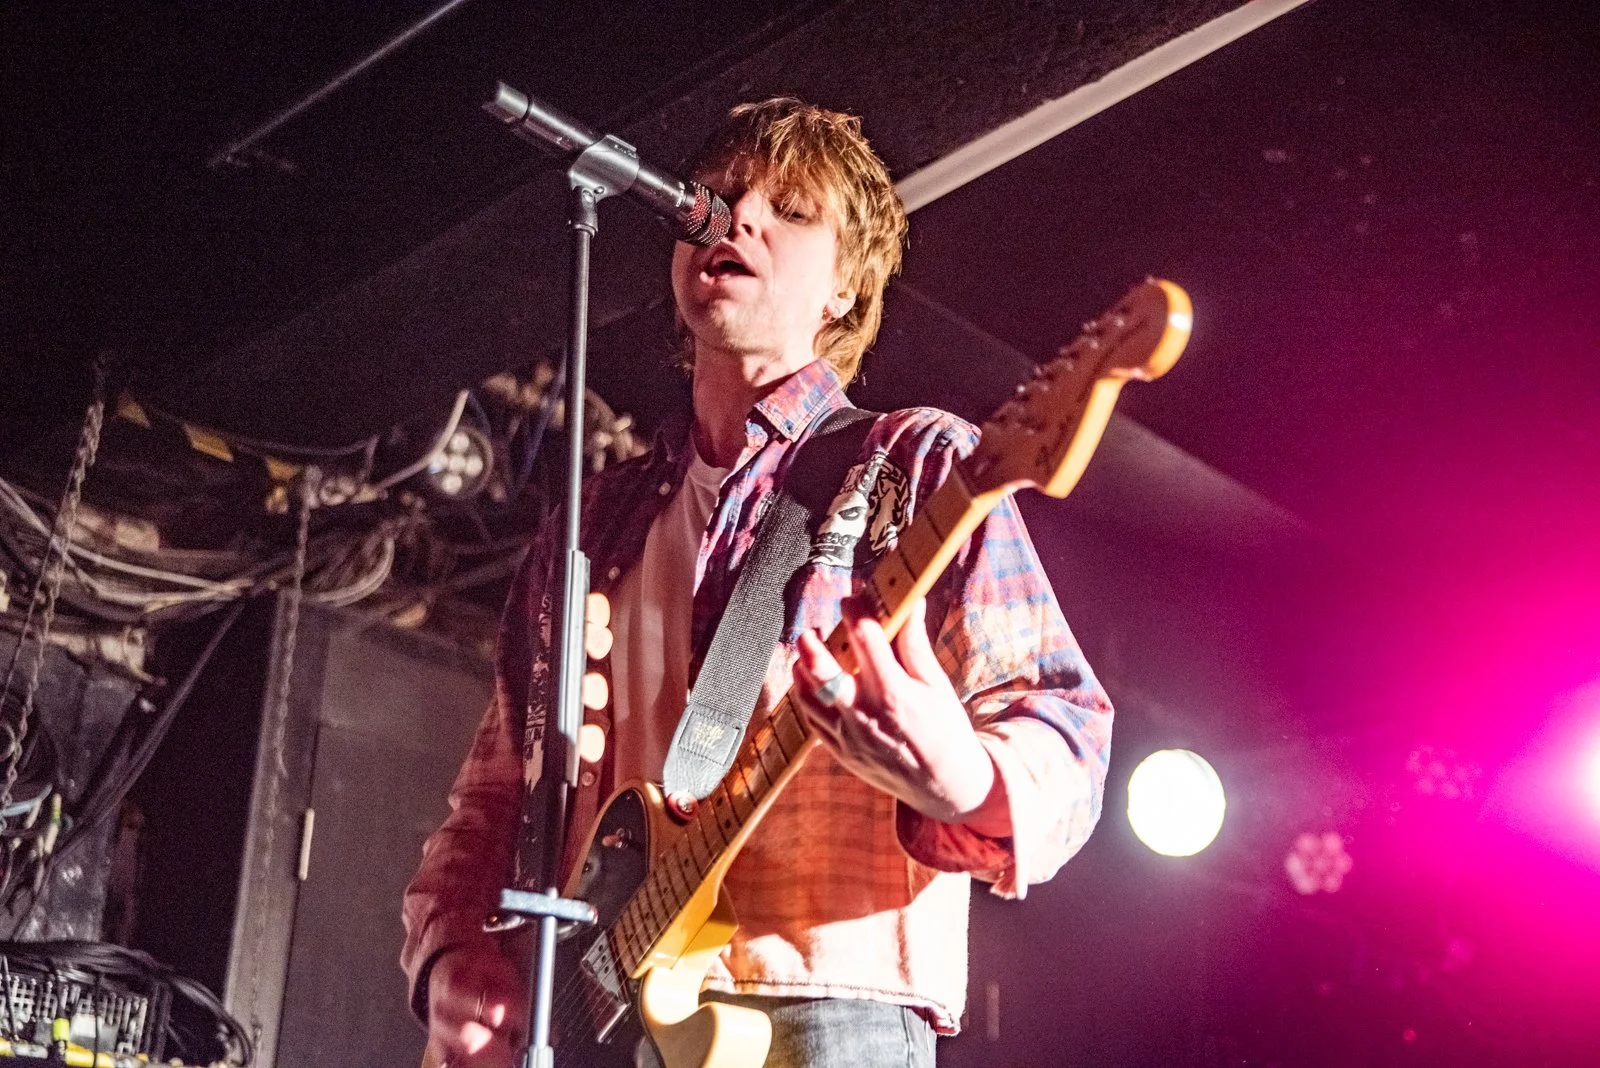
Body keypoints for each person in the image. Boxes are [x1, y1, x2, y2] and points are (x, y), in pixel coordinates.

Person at [401, 97, 1113, 1068]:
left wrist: (961, 776)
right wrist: (450, 952)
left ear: (845, 289)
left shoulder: (909, 463)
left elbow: (1066, 734)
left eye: (791, 210)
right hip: (584, 1017)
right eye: (726, 195)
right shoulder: (594, 515)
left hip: (814, 998)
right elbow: (496, 788)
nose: (738, 220)